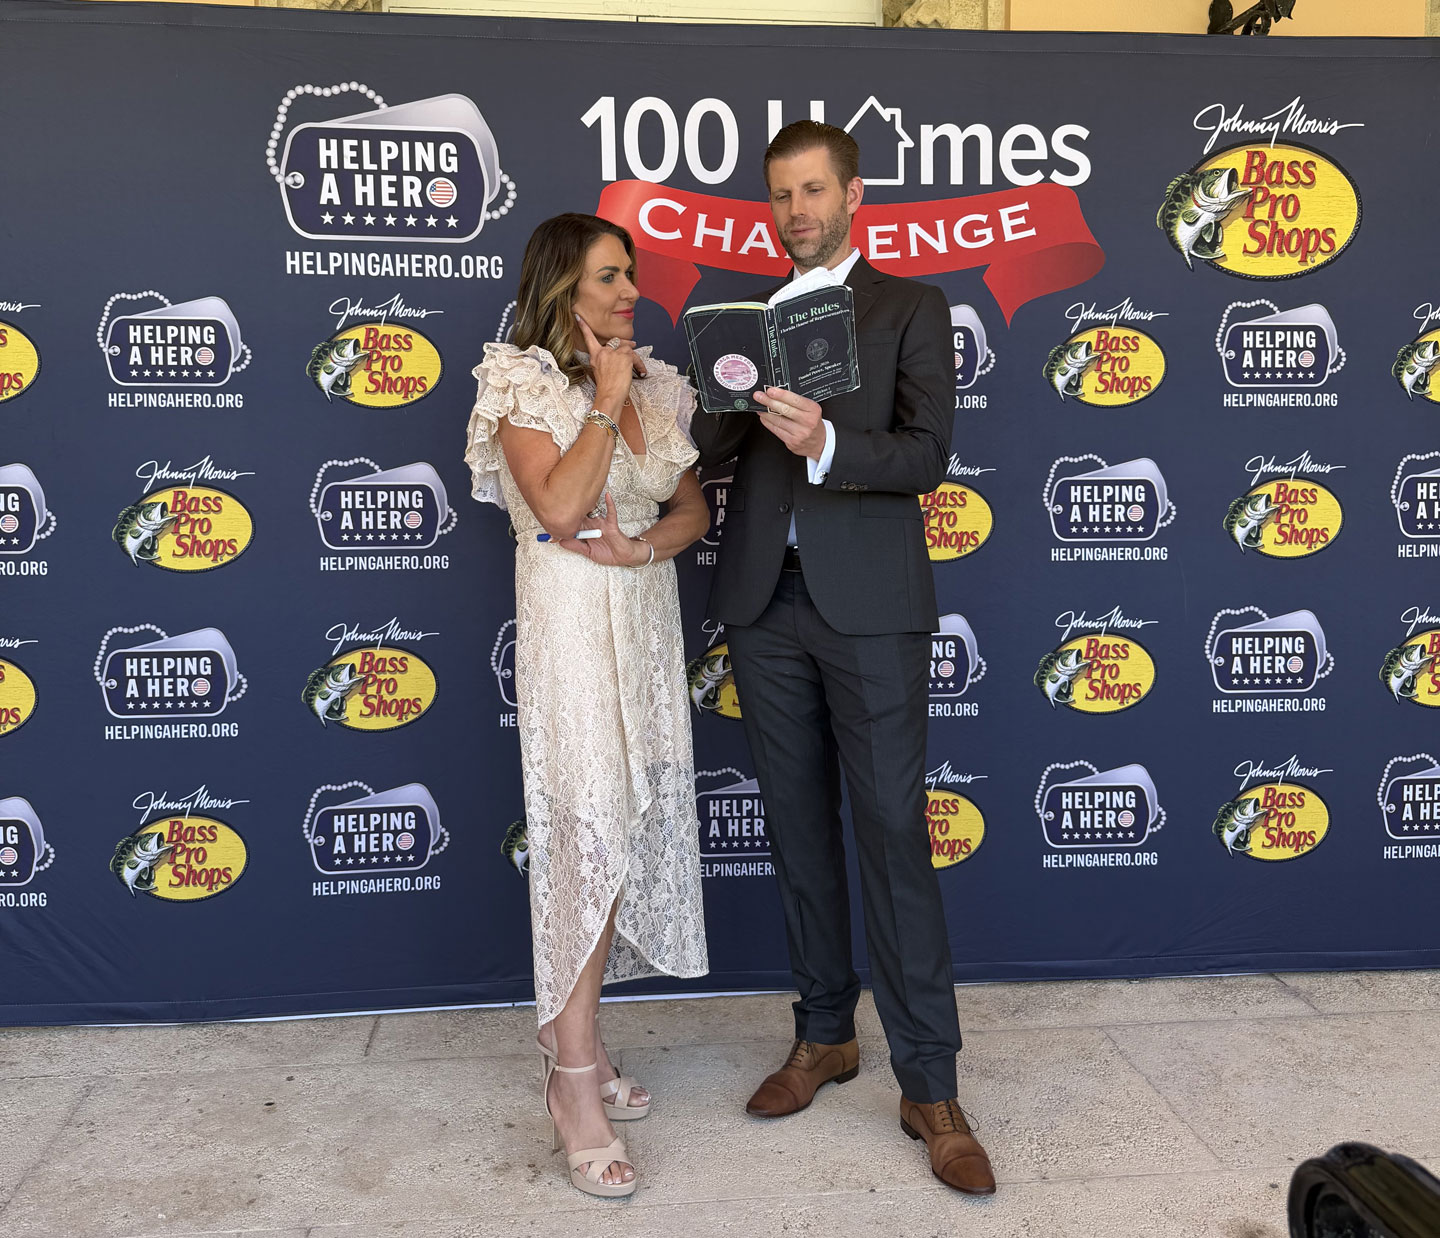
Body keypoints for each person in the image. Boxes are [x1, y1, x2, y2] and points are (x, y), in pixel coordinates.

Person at [690, 122, 996, 1196]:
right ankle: (823, 1034)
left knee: (893, 834)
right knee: (796, 827)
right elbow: (709, 451)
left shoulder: (910, 305)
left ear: (853, 195)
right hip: (763, 603)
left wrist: (823, 439)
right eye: (781, 195)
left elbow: (927, 453)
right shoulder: (748, 317)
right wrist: (722, 393)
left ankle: (931, 1085)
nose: (797, 212)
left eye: (814, 191)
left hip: (870, 607)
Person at [465, 212, 710, 1199]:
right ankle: (572, 1081)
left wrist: (641, 547)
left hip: (644, 624)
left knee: (624, 834)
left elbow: (691, 508)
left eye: (631, 275)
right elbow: (561, 508)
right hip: (569, 628)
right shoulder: (519, 383)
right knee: (585, 836)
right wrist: (604, 399)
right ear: (561, 287)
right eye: (609, 276)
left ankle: (582, 1038)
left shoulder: (661, 385)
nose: (629, 292)